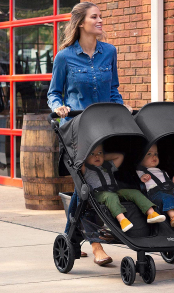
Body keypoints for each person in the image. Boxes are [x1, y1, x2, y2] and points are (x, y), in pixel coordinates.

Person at [47, 2, 131, 265]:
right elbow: (53, 93)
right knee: (86, 186)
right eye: (95, 17)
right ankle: (96, 246)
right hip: (77, 129)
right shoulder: (64, 57)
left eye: (100, 16)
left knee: (101, 182)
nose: (100, 21)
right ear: (81, 23)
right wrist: (57, 107)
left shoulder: (110, 52)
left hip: (105, 128)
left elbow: (114, 89)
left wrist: (122, 106)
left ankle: (71, 235)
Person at [83, 144, 166, 237]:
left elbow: (120, 156)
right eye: (92, 154)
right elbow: (78, 162)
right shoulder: (85, 169)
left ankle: (151, 213)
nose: (97, 156)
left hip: (114, 190)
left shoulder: (108, 165)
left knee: (134, 192)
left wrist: (103, 156)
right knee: (111, 196)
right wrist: (87, 157)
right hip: (99, 193)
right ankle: (122, 220)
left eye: (99, 153)